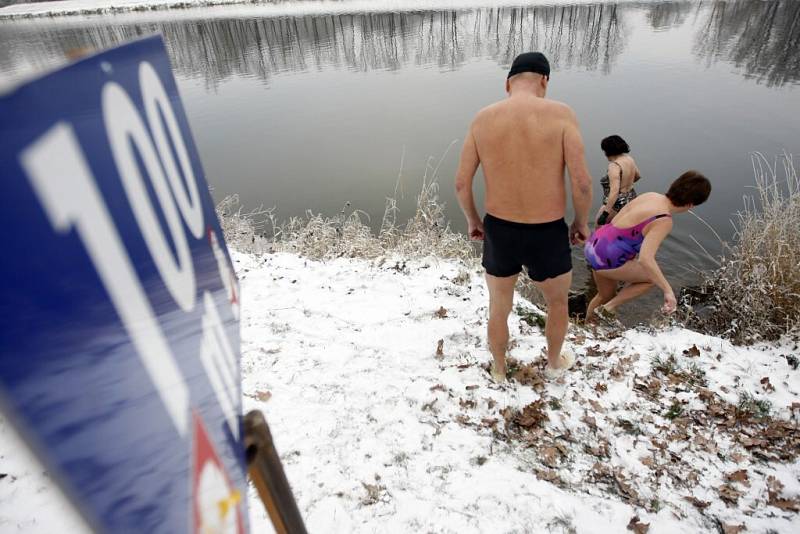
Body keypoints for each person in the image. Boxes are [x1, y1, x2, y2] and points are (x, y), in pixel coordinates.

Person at [454, 52, 593, 381]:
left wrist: (474, 220)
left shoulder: (483, 119)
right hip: (547, 231)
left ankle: (499, 369)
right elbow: (583, 182)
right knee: (557, 302)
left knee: (499, 303)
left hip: (500, 228)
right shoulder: (562, 115)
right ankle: (555, 361)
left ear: (508, 84)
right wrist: (580, 222)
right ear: (544, 81)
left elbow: (461, 183)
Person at [584, 171, 711, 320]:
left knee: (605, 295)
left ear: (674, 185)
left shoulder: (650, 195)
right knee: (650, 278)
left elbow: (618, 222)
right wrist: (668, 290)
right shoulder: (663, 219)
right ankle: (608, 308)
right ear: (691, 205)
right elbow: (645, 259)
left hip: (595, 244)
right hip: (608, 257)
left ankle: (588, 327)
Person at [596, 135, 641, 226]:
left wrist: (605, 214)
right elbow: (638, 176)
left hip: (616, 204)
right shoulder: (629, 159)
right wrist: (626, 184)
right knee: (621, 227)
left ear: (608, 151)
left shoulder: (614, 166)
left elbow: (614, 191)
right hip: (631, 197)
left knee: (599, 228)